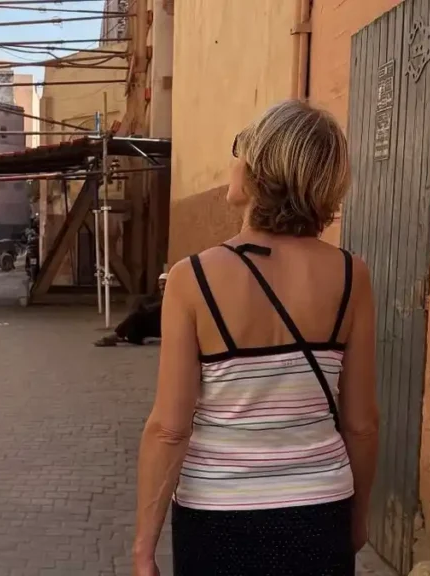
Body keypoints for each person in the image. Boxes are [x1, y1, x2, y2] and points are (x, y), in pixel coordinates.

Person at [133, 99, 379, 576]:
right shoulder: (351, 276)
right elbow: (362, 423)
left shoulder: (194, 278)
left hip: (218, 515)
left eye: (239, 148)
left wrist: (145, 546)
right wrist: (357, 515)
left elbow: (169, 428)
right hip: (320, 509)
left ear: (259, 168)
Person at [94, 273, 167, 347]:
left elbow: (158, 308)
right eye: (160, 285)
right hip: (154, 324)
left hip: (164, 325)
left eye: (164, 284)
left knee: (136, 316)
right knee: (137, 313)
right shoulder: (159, 296)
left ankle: (117, 336)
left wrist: (145, 310)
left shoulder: (172, 297)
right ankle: (122, 336)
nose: (161, 287)